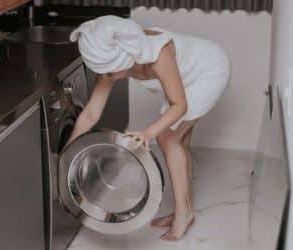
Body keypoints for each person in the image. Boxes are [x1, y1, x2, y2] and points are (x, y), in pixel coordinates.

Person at [66, 15, 231, 241]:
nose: (105, 78)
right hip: (185, 80)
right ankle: (184, 210)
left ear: (125, 60)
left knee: (168, 138)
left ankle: (183, 214)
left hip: (210, 70)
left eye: (109, 73)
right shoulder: (112, 60)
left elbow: (179, 105)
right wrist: (68, 152)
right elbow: (91, 114)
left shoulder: (158, 54)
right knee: (177, 142)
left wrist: (148, 133)